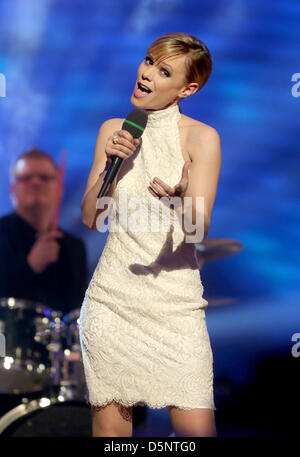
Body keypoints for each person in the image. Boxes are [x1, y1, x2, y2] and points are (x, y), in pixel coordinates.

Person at [79, 32, 221, 437]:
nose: (146, 74)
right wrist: (112, 166)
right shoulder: (113, 129)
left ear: (188, 89)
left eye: (164, 71)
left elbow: (197, 230)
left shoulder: (202, 138)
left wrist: (180, 201)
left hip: (176, 308)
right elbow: (92, 218)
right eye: (147, 61)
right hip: (112, 302)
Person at [0, 148, 89, 314]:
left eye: (45, 178)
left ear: (59, 188)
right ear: (12, 190)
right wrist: (30, 267)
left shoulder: (74, 247)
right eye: (26, 178)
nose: (35, 183)